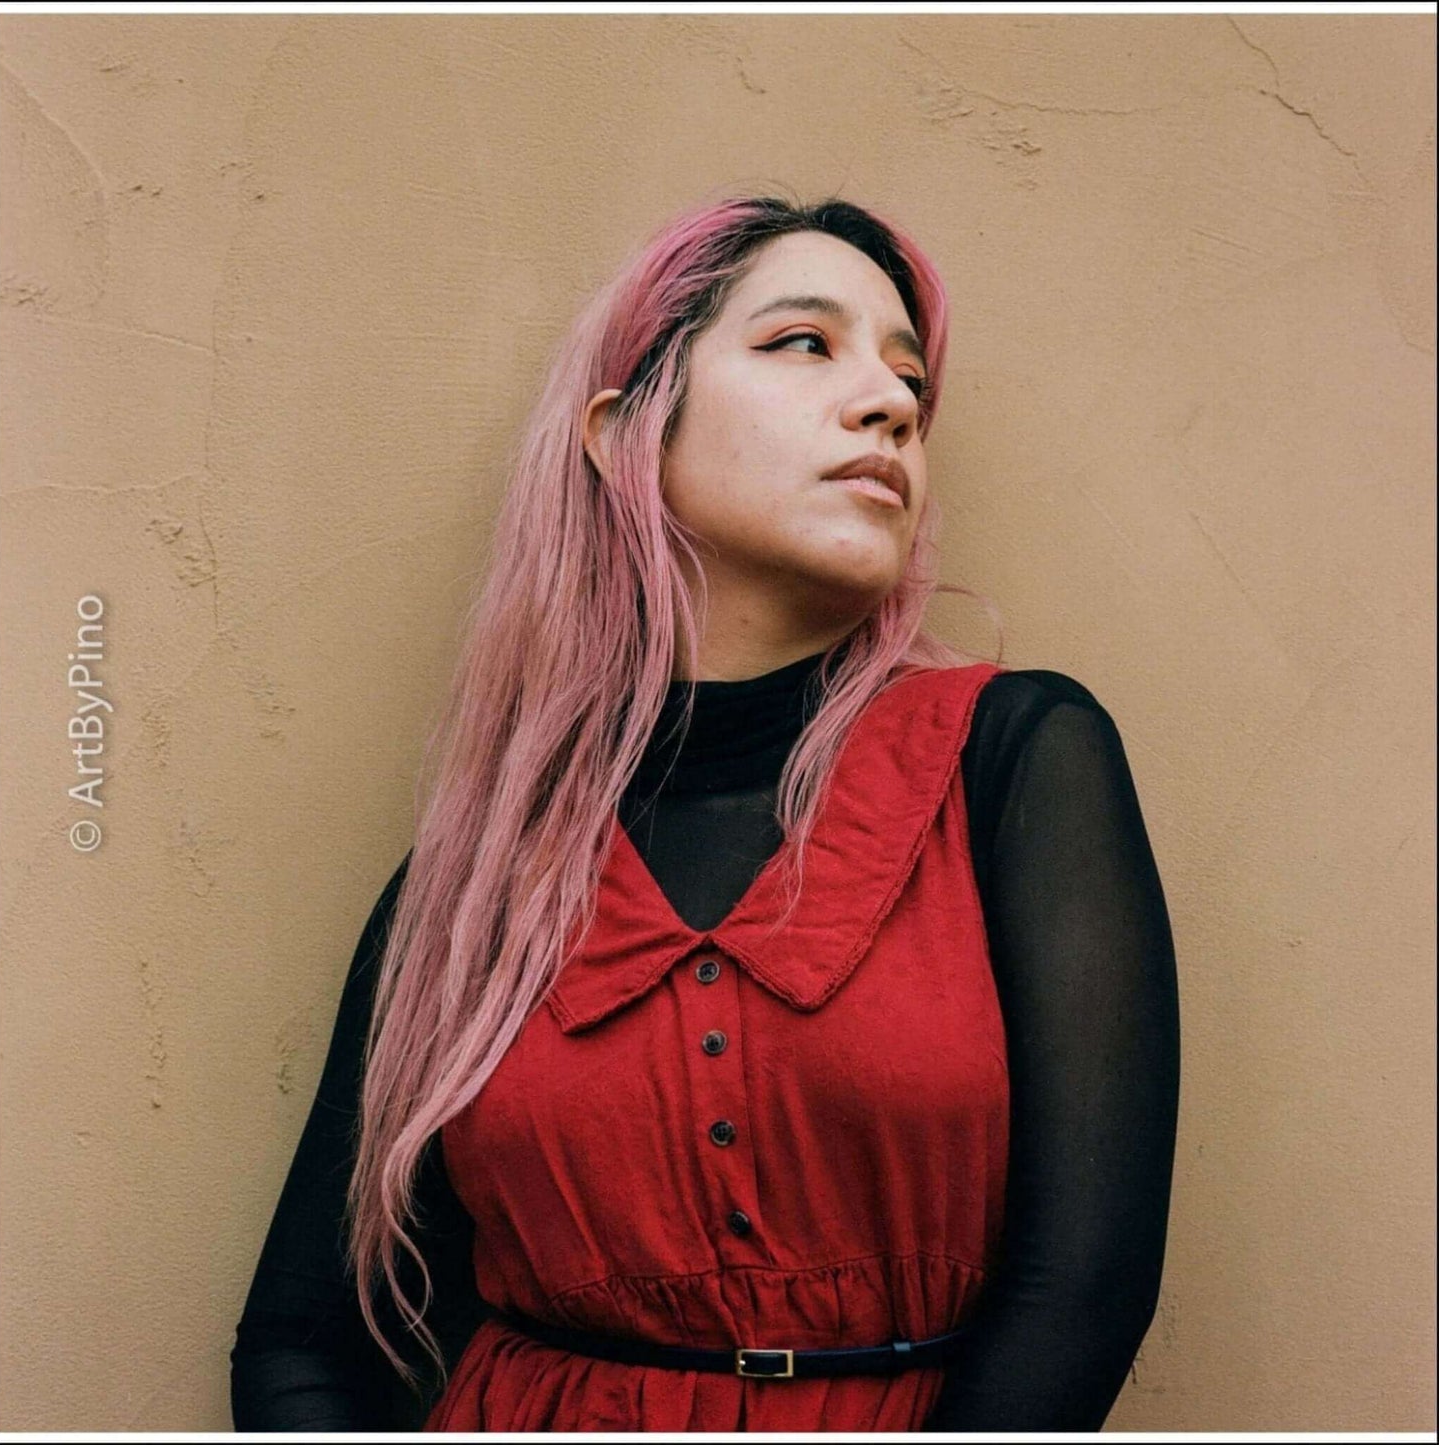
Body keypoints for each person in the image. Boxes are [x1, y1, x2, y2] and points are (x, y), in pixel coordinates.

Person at [230, 192, 1180, 1433]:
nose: (890, 401)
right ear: (626, 429)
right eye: (803, 343)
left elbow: (1083, 1291)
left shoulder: (1015, 761)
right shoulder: (471, 885)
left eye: (907, 378)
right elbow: (303, 1338)